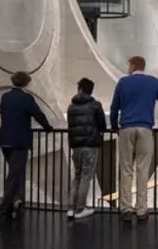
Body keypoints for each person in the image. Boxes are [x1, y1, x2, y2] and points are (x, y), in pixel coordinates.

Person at [110, 55, 158, 223]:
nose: (127, 68)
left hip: (126, 128)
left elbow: (114, 107)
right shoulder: (153, 82)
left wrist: (114, 126)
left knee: (126, 169)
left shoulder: (123, 82)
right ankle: (141, 209)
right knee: (142, 170)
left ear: (133, 66)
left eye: (128, 65)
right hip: (145, 129)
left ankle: (125, 209)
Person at [0, 71, 53, 221]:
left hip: (5, 141)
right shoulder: (26, 98)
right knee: (14, 176)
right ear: (26, 83)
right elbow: (38, 114)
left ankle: (18, 203)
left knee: (18, 172)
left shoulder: (5, 96)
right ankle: (3, 210)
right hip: (19, 142)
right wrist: (47, 127)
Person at [65, 77, 106, 220]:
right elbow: (102, 125)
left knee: (77, 176)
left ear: (80, 88)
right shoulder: (95, 105)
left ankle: (71, 208)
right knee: (85, 177)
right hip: (90, 145)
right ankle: (80, 209)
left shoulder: (71, 106)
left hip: (76, 146)